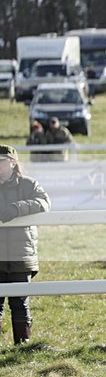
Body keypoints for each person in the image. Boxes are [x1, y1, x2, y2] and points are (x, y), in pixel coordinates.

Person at [0, 145, 51, 345]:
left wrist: (17, 208)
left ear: (13, 163)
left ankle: (22, 345)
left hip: (21, 253)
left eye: (2, 161)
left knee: (20, 302)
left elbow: (44, 203)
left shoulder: (29, 185)